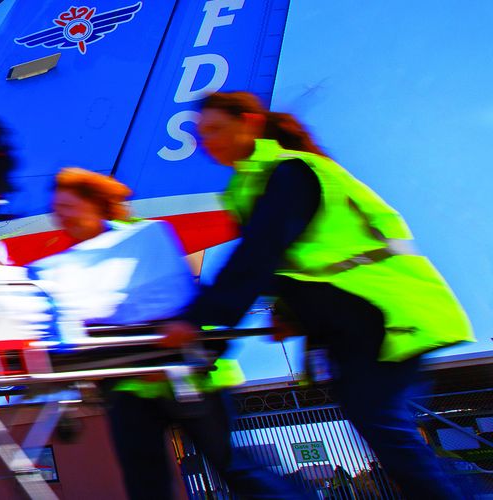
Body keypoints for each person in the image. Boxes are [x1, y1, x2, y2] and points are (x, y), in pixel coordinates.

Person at [159, 91, 473, 499]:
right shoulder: (250, 185)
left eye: (216, 129)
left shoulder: (290, 171)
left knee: (380, 421)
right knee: (379, 422)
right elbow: (289, 260)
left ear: (250, 123)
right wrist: (286, 311)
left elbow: (261, 252)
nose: (208, 142)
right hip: (352, 321)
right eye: (202, 135)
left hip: (384, 310)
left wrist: (197, 319)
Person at [46, 167, 297, 500]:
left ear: (95, 203)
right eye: (57, 211)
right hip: (130, 383)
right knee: (146, 485)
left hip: (188, 374)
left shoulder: (146, 238)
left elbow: (172, 303)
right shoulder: (68, 264)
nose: (62, 218)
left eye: (69, 207)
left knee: (233, 466)